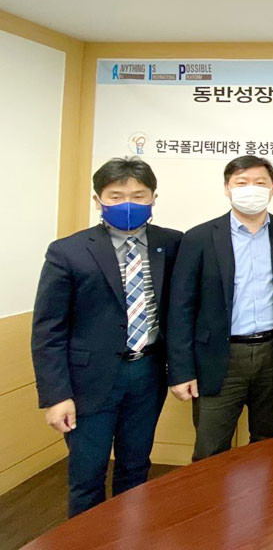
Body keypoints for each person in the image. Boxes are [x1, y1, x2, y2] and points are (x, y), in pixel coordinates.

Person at [32, 158, 182, 517]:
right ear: (98, 200)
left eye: (138, 195)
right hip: (88, 381)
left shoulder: (173, 243)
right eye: (116, 196)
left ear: (154, 198)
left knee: (136, 467)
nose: (127, 203)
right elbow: (48, 330)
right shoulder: (68, 251)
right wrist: (56, 396)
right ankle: (87, 540)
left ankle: (129, 536)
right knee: (88, 474)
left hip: (147, 374)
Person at [167, 156, 273, 461]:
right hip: (219, 357)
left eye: (260, 182)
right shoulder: (199, 237)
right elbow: (180, 308)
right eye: (242, 183)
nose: (251, 189)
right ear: (227, 188)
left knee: (268, 444)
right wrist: (180, 370)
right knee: (211, 450)